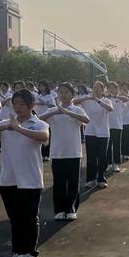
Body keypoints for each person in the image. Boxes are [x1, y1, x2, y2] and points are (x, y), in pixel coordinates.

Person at [0, 89, 49, 257]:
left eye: (22, 104)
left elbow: (44, 138)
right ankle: (18, 252)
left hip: (31, 179)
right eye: (15, 104)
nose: (18, 108)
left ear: (31, 106)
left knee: (29, 217)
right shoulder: (6, 123)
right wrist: (5, 126)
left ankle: (30, 252)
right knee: (15, 218)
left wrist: (18, 128)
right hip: (9, 179)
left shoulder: (38, 123)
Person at [39, 83, 89, 220]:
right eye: (61, 92)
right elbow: (38, 120)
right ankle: (59, 210)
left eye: (66, 92)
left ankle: (71, 209)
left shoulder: (77, 110)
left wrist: (68, 112)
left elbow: (86, 120)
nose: (63, 94)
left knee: (73, 182)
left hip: (74, 152)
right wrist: (55, 111)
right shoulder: (54, 110)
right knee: (59, 182)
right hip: (57, 152)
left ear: (72, 94)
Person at [74, 81, 113, 188]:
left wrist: (98, 100)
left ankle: (101, 177)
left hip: (103, 133)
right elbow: (73, 102)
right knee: (91, 157)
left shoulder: (106, 100)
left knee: (102, 156)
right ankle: (90, 179)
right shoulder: (87, 100)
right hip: (90, 132)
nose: (96, 90)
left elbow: (110, 109)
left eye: (98, 88)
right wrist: (87, 98)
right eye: (94, 87)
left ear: (103, 89)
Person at [106, 81, 124, 173]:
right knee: (108, 146)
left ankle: (116, 164)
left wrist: (115, 96)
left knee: (116, 145)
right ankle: (108, 164)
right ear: (107, 89)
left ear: (117, 89)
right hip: (106, 125)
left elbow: (126, 99)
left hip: (117, 125)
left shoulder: (119, 98)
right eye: (110, 88)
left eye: (114, 88)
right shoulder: (105, 99)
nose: (112, 89)